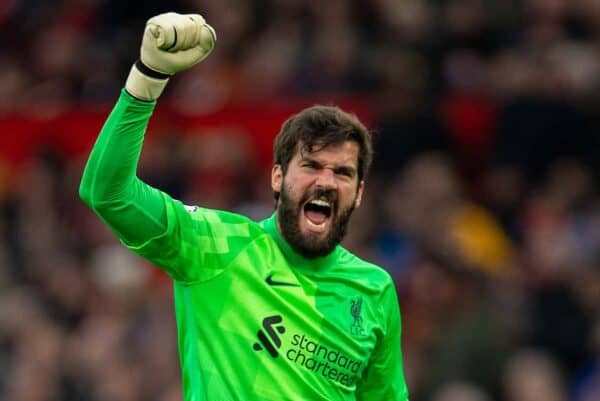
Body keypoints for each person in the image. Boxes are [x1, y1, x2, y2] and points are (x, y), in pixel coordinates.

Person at [79, 11, 408, 401]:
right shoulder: (214, 245)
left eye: (342, 172)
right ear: (277, 178)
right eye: (311, 166)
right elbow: (107, 193)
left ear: (358, 193)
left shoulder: (374, 290)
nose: (325, 181)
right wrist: (147, 78)